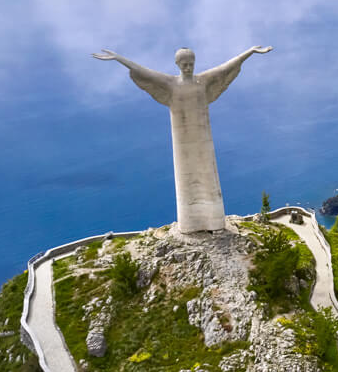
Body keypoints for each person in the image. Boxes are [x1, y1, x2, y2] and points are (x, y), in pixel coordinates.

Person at [92, 46, 272, 233]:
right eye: (184, 64)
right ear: (177, 64)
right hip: (182, 143)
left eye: (191, 64)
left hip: (203, 141)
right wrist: (118, 58)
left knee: (208, 178)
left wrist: (250, 52)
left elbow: (226, 67)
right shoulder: (170, 83)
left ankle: (214, 223)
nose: (188, 67)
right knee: (186, 182)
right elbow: (144, 72)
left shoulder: (203, 81)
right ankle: (190, 225)